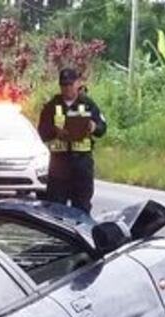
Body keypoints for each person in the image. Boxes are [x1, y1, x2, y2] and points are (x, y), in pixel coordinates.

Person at [37, 68, 107, 214]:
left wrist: (93, 127)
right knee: (55, 209)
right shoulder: (52, 106)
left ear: (77, 84)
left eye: (70, 84)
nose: (67, 88)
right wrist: (55, 132)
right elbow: (42, 132)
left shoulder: (88, 104)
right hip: (59, 165)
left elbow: (102, 127)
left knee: (81, 208)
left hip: (82, 164)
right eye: (63, 85)